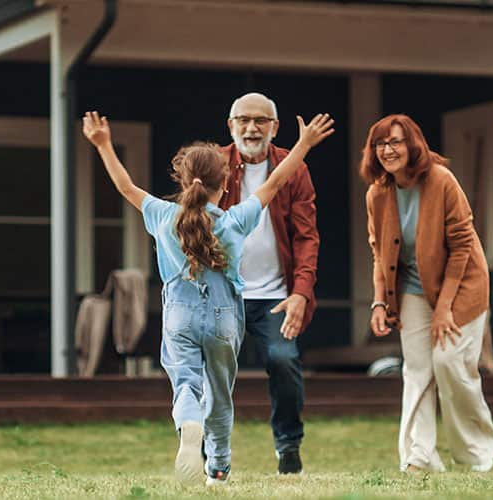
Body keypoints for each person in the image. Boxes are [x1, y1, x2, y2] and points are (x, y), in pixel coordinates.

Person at [83, 110, 333, 485]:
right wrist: (304, 144)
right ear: (227, 180)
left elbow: (125, 186)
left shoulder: (163, 215)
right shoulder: (234, 221)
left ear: (183, 179)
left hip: (179, 314)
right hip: (223, 319)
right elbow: (278, 180)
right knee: (219, 394)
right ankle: (218, 468)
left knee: (186, 382)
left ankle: (188, 423)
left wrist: (103, 144)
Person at [360, 114, 493, 473]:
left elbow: (462, 245)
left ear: (413, 144)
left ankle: (475, 454)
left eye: (395, 142)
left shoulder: (441, 180)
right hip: (413, 290)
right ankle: (420, 455)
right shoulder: (377, 193)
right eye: (381, 144)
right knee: (418, 369)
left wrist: (445, 309)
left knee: (450, 362)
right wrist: (379, 301)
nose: (388, 150)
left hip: (464, 285)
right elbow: (380, 252)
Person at [215, 93, 320, 474]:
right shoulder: (215, 164)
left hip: (276, 294)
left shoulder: (293, 168)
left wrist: (300, 293)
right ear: (231, 125)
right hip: (224, 294)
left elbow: (307, 237)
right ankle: (211, 454)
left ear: (274, 127)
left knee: (283, 360)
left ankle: (288, 446)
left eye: (260, 120)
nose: (251, 127)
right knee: (214, 370)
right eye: (243, 119)